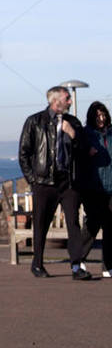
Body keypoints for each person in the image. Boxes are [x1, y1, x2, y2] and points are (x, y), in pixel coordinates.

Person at [18, 86, 92, 279]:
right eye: (67, 98)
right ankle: (37, 264)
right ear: (56, 101)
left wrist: (73, 135)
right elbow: (24, 153)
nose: (70, 102)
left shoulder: (73, 122)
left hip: (68, 182)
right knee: (41, 224)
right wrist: (33, 180)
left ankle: (77, 267)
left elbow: (85, 150)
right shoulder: (35, 121)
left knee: (73, 223)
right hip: (44, 183)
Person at [77, 101, 112, 278]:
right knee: (93, 224)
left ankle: (107, 266)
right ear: (92, 117)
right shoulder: (86, 134)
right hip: (93, 187)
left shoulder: (111, 134)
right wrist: (86, 152)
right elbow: (77, 157)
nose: (102, 118)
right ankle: (78, 259)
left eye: (104, 114)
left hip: (111, 187)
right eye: (98, 115)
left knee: (110, 227)